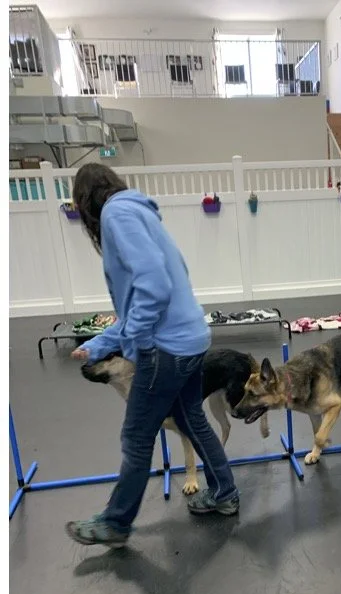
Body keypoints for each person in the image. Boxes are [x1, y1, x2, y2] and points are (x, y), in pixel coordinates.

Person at [66, 163, 239, 548]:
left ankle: (116, 522)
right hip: (192, 337)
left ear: (84, 201)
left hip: (167, 349)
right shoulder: (138, 212)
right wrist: (100, 344)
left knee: (136, 436)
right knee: (193, 420)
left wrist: (138, 341)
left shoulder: (115, 215)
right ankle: (224, 494)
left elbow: (155, 286)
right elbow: (144, 299)